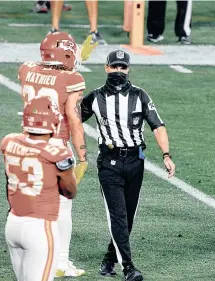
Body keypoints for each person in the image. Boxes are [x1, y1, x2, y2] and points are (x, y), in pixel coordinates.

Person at [81, 49, 176, 280]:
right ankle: (128, 268)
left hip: (135, 161)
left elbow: (157, 126)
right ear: (106, 68)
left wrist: (166, 154)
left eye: (122, 67)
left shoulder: (140, 95)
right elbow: (73, 122)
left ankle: (109, 259)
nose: (118, 71)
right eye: (114, 67)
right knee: (119, 216)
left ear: (128, 69)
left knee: (128, 218)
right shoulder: (94, 98)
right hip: (109, 163)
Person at [18, 31, 88, 277]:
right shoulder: (72, 79)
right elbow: (75, 121)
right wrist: (82, 157)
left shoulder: (26, 70)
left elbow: (43, 72)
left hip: (27, 145)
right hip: (55, 145)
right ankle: (60, 261)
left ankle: (32, 256)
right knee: (62, 208)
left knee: (29, 204)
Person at [1, 97, 78, 281]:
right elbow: (70, 192)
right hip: (40, 227)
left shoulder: (9, 142)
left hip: (13, 223)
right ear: (53, 123)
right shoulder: (59, 154)